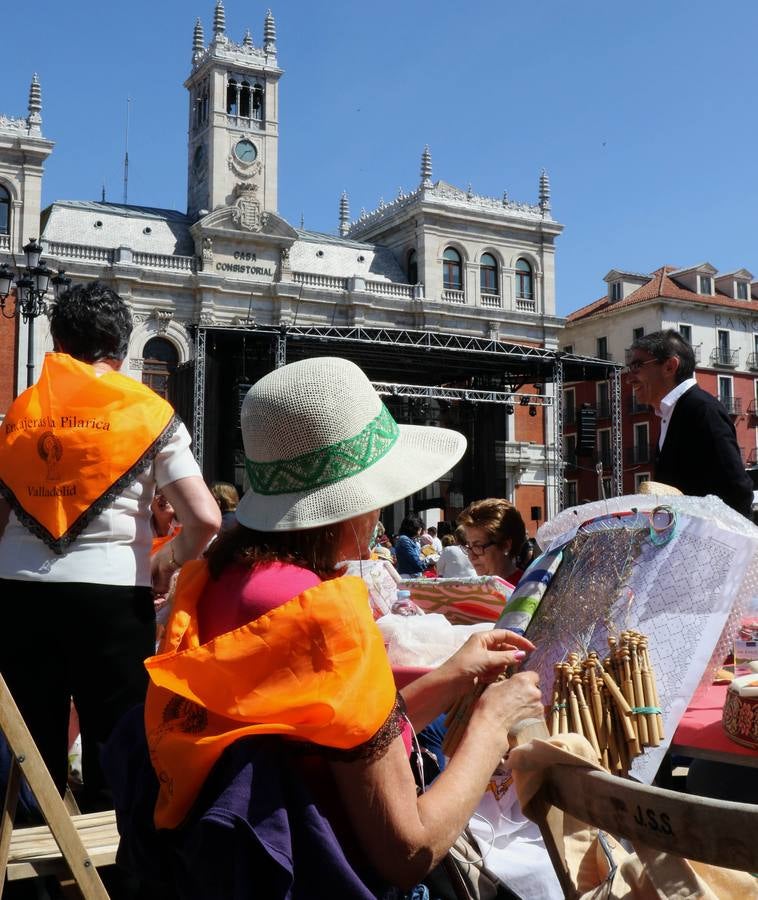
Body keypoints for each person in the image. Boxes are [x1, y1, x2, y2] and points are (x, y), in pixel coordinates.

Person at [126, 356, 543, 896]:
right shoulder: (324, 613)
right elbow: (408, 850)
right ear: (351, 506)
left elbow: (336, 743)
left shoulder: (216, 579)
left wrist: (453, 675)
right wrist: (490, 722)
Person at [0, 281, 221, 811]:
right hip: (111, 593)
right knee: (115, 741)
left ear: (57, 341)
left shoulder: (22, 411)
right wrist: (165, 560)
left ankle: (37, 869)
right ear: (121, 350)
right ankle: (116, 871)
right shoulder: (147, 412)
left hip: (18, 589)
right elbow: (205, 518)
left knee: (31, 743)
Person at [627, 329, 753, 518]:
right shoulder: (672, 413)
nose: (629, 378)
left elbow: (738, 491)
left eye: (637, 366)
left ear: (670, 366)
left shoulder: (703, 410)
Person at [457, 497, 528, 584]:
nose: (471, 557)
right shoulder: (472, 589)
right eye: (468, 546)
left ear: (505, 546)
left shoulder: (526, 590)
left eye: (478, 546)